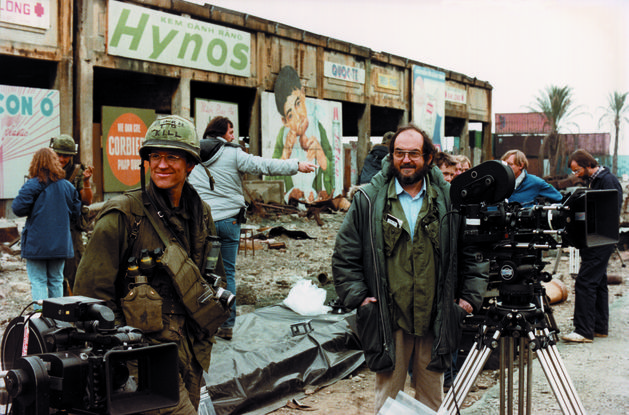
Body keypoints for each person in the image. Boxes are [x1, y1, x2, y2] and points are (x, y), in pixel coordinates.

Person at [332, 124, 489, 412]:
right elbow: (345, 255)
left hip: (436, 316)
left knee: (431, 399)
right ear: (391, 156)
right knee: (388, 401)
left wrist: (468, 299)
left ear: (428, 157)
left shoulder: (450, 200)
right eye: (400, 153)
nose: (406, 160)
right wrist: (359, 298)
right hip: (389, 319)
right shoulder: (368, 200)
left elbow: (474, 251)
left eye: (414, 153)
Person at [74, 115, 223, 413]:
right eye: (155, 156)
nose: (161, 165)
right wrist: (123, 352)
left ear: (191, 164)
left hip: (192, 351)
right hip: (144, 359)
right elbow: (89, 296)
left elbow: (213, 276)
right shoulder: (122, 215)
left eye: (172, 157)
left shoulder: (201, 213)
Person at [189, 116, 315, 340]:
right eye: (230, 132)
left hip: (202, 222)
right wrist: (296, 165)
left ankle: (201, 325)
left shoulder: (193, 154)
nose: (233, 136)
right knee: (227, 273)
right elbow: (264, 164)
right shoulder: (232, 153)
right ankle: (227, 325)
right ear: (221, 133)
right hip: (229, 222)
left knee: (199, 272)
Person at [562, 149, 623, 343]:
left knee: (585, 282)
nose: (576, 174)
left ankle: (583, 331)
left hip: (600, 239)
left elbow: (607, 211)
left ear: (588, 165)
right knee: (598, 282)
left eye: (577, 170)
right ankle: (599, 327)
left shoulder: (607, 181)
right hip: (599, 239)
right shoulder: (598, 180)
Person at [12, 148, 81, 307]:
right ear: (55, 163)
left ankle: (41, 319)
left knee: (38, 281)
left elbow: (17, 208)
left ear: (35, 163)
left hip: (37, 243)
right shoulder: (67, 187)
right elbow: (76, 211)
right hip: (60, 243)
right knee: (56, 280)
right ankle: (58, 319)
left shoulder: (33, 184)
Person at [271, 65, 334, 201]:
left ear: (303, 95)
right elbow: (268, 177)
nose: (298, 115)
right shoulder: (283, 136)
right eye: (290, 115)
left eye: (298, 103)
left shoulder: (318, 129)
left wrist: (322, 157)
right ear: (284, 121)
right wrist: (285, 155)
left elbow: (331, 173)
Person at [50, 134, 94, 295]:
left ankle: (77, 305)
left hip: (71, 227)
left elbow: (87, 201)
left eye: (66, 155)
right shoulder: (45, 171)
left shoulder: (77, 172)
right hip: (51, 226)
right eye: (59, 154)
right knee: (54, 273)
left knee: (75, 268)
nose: (62, 159)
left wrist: (87, 182)